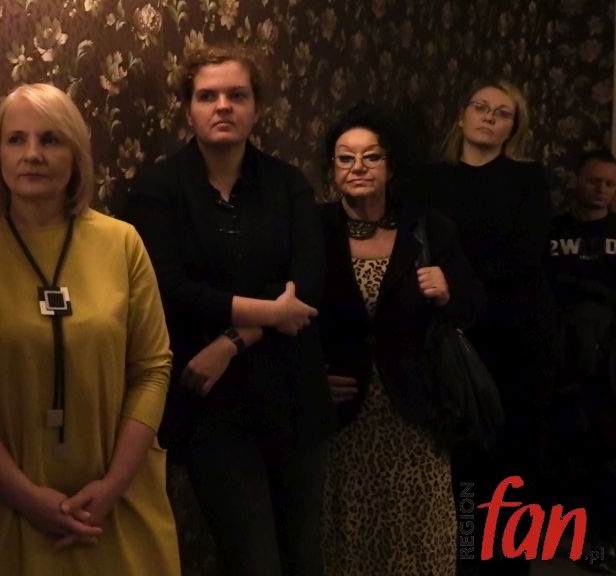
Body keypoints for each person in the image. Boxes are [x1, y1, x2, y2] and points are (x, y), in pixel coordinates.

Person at [0, 83, 180, 575]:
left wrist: (113, 485)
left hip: (118, 500)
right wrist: (27, 498)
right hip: (9, 508)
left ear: (76, 154)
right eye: (16, 140)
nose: (33, 154)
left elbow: (152, 369)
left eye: (50, 139)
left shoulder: (123, 243)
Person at [124, 44, 333, 575]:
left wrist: (234, 339)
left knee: (304, 558)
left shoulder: (288, 183)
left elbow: (307, 284)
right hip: (212, 408)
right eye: (207, 96)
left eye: (237, 95)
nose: (223, 106)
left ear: (256, 108)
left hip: (293, 394)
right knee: (253, 563)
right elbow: (168, 288)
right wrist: (270, 312)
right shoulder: (157, 189)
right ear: (188, 109)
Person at [317, 102, 483, 575]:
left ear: (391, 167)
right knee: (348, 544)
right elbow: (292, 316)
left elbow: (474, 307)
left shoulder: (428, 229)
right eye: (345, 157)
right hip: (342, 421)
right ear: (333, 169)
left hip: (417, 414)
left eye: (372, 156)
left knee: (418, 543)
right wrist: (312, 378)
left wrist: (448, 292)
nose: (358, 167)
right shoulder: (314, 229)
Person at [423, 79, 556, 575]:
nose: (489, 116)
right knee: (460, 461)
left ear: (512, 128)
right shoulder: (431, 180)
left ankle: (508, 564)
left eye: (502, 113)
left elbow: (525, 254)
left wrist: (458, 283)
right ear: (462, 116)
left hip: (516, 335)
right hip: (454, 333)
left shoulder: (527, 178)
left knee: (513, 458)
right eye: (480, 107)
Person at [546, 149, 616, 569]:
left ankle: (602, 542)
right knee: (563, 447)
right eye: (594, 181)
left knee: (606, 450)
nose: (601, 190)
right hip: (561, 354)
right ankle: (568, 538)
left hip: (609, 357)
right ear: (575, 180)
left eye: (609, 183)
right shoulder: (552, 231)